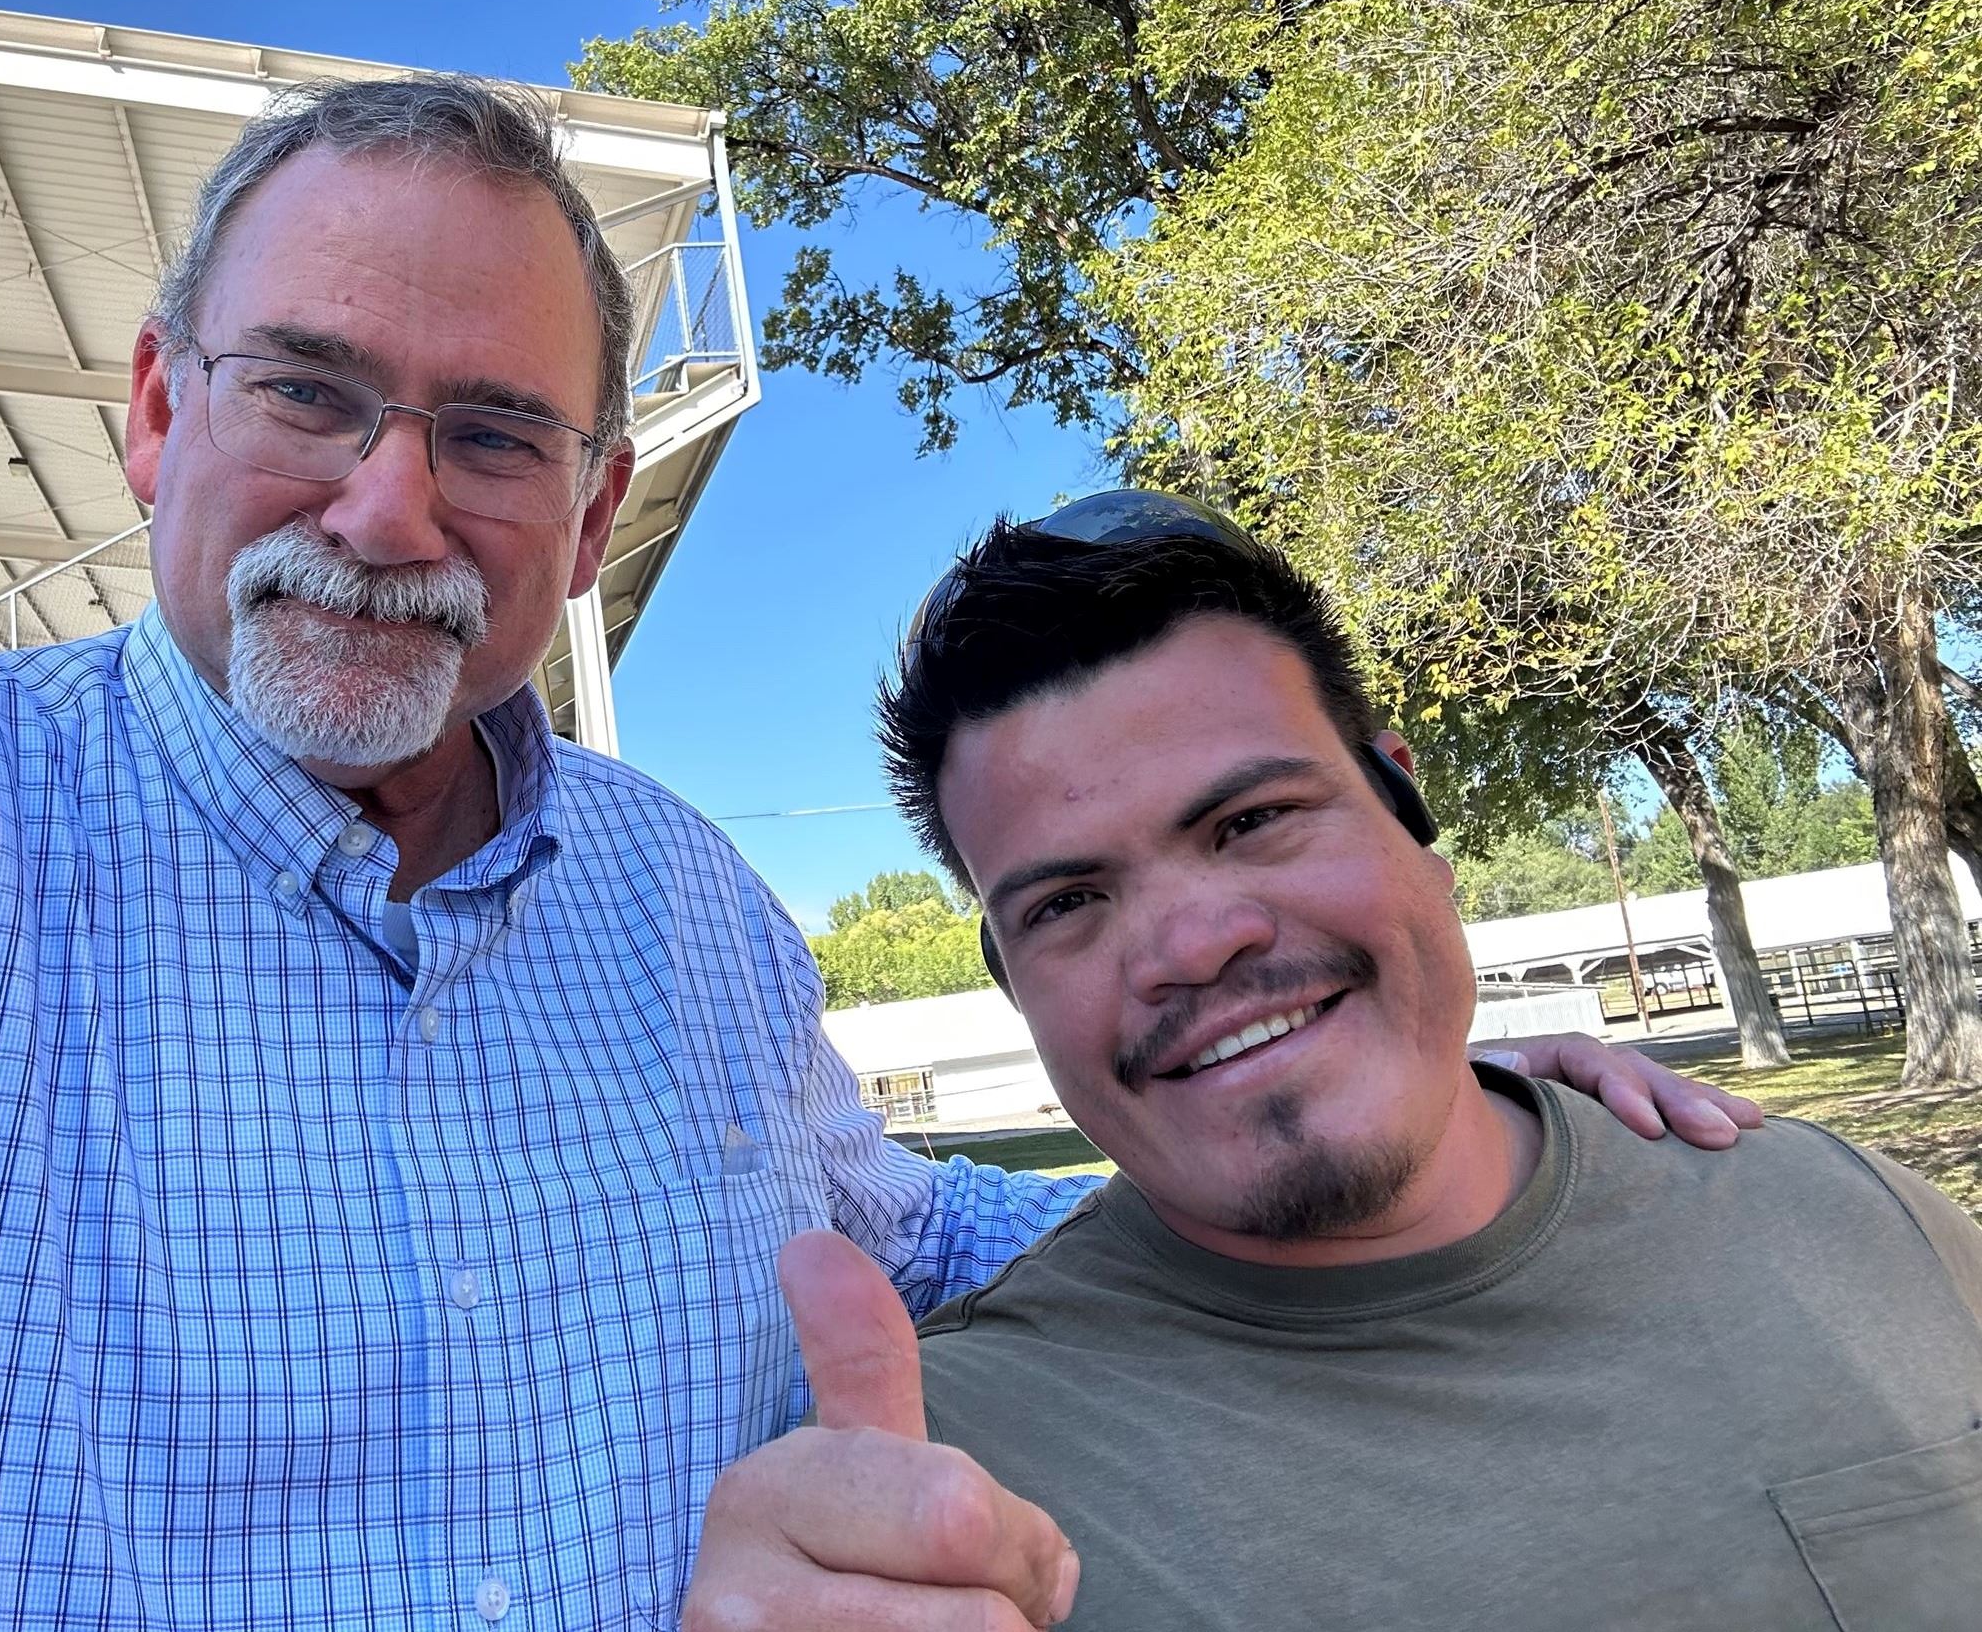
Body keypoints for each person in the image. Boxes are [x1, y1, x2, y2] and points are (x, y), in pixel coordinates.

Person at [0, 80, 1744, 1630]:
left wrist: (1410, 1108)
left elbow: (898, 1222)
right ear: (151, 408)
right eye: (305, 389)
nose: (388, 508)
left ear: (593, 517)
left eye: (496, 434)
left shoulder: (677, 900)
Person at [685, 493, 1982, 1632]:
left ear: (1405, 802)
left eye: (1250, 820)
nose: (1190, 944)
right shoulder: (945, 1512)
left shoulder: (1853, 1220)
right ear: (1016, 984)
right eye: (1068, 901)